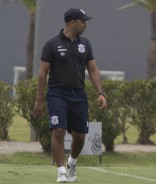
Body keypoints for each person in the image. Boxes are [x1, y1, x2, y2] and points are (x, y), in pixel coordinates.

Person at [33, 8, 107, 183]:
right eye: (83, 21)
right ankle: (61, 172)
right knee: (58, 130)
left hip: (78, 95)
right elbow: (43, 73)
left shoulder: (85, 44)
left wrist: (101, 93)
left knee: (80, 135)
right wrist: (39, 100)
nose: (85, 24)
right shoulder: (51, 44)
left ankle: (71, 162)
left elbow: (93, 69)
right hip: (57, 94)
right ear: (72, 22)